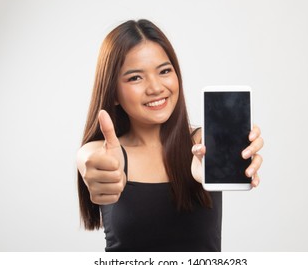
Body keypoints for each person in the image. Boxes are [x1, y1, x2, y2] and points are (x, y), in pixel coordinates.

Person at [76, 19, 264, 252]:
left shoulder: (202, 143)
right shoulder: (102, 152)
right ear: (112, 92)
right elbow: (89, 159)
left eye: (164, 71)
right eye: (135, 77)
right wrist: (98, 171)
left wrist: (215, 161)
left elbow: (204, 151)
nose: (155, 87)